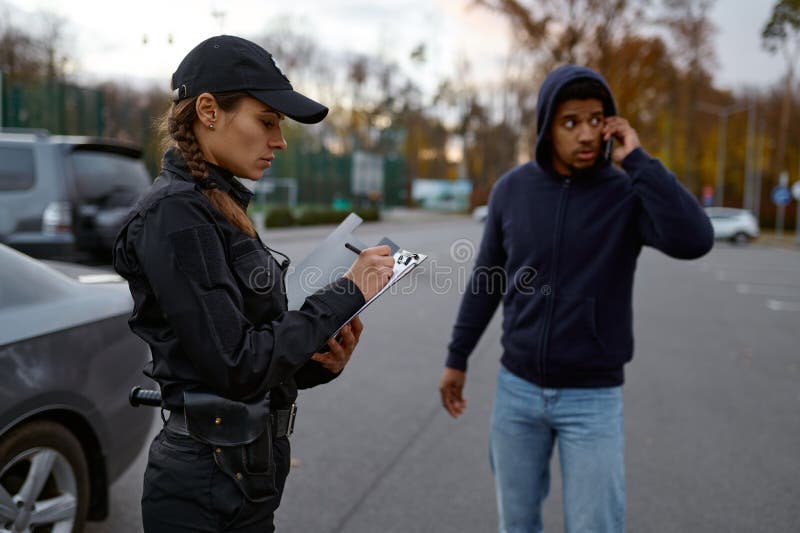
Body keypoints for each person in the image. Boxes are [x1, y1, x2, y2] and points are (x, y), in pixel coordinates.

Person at [113, 35, 395, 532]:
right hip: (203, 486)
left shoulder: (218, 204)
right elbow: (236, 366)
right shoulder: (176, 215)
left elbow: (245, 357)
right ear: (208, 111)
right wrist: (348, 291)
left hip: (241, 476)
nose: (280, 141)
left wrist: (317, 363)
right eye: (267, 121)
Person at [438, 65, 714, 533]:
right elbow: (487, 278)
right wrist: (457, 357)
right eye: (571, 122)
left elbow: (695, 239)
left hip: (593, 398)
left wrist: (640, 162)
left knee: (596, 525)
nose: (586, 134)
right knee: (517, 524)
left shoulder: (627, 193)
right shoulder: (512, 190)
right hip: (517, 391)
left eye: (595, 119)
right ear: (548, 128)